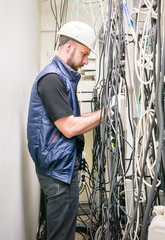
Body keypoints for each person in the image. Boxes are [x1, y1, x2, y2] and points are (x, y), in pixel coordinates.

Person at [27, 21, 103, 240]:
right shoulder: (52, 79)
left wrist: (102, 111)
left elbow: (71, 119)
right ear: (69, 46)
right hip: (57, 170)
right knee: (60, 234)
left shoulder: (63, 78)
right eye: (84, 54)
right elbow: (69, 128)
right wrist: (106, 113)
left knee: (62, 229)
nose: (86, 61)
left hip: (62, 166)